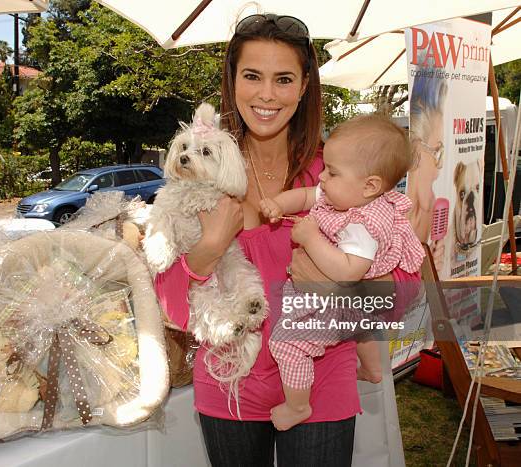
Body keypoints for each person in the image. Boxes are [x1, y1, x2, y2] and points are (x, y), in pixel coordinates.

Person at [154, 13, 420, 467]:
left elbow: (407, 291)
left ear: (303, 87)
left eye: (283, 79)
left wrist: (339, 284)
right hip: (228, 385)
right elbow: (175, 312)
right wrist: (208, 250)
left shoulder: (338, 175)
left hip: (321, 386)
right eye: (252, 76)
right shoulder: (201, 175)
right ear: (233, 80)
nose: (266, 95)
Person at [259, 114, 425, 430]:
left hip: (342, 303)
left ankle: (297, 406)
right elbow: (308, 195)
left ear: (371, 185)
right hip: (360, 311)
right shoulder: (347, 192)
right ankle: (374, 370)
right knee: (364, 327)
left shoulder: (363, 226)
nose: (322, 177)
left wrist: (309, 238)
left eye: (331, 172)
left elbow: (348, 272)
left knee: (287, 344)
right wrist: (279, 204)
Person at [406, 71, 448, 270]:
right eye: (437, 151)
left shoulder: (432, 212)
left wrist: (434, 268)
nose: (439, 170)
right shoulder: (385, 217)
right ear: (415, 149)